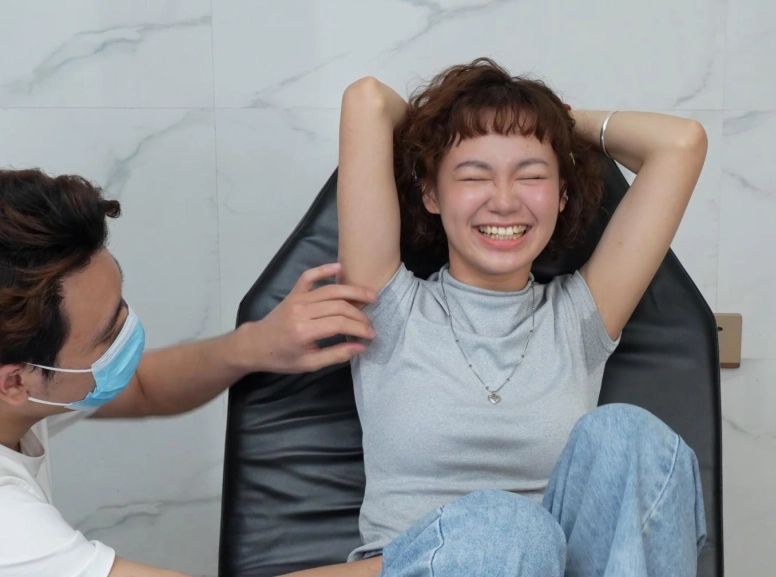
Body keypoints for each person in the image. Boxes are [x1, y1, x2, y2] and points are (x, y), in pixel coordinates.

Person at [283, 58, 710, 577]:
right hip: (424, 567)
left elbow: (680, 144)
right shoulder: (389, 310)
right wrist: (454, 120)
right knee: (506, 527)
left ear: (562, 194)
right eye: (473, 175)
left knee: (630, 433)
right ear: (432, 193)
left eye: (531, 176)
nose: (505, 201)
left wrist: (552, 122)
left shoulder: (579, 320)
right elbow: (367, 101)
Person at [0, 169, 379, 577]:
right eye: (108, 336)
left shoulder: (25, 384)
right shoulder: (12, 530)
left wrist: (254, 344)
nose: (129, 332)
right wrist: (420, 555)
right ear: (15, 382)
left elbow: (143, 385)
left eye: (122, 307)